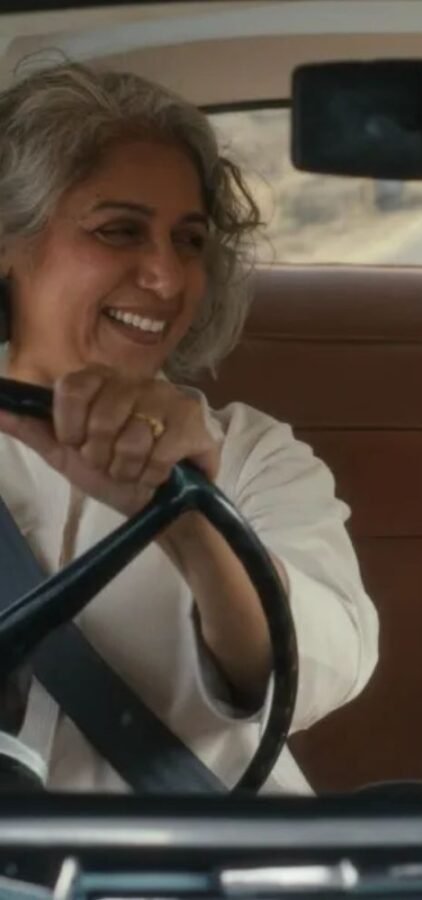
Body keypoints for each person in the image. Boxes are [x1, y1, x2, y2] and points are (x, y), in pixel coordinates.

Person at [0, 60, 378, 792]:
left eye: (190, 240)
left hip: (200, 852)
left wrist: (188, 521)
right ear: (9, 240)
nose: (167, 278)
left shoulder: (253, 453)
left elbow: (316, 664)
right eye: (119, 231)